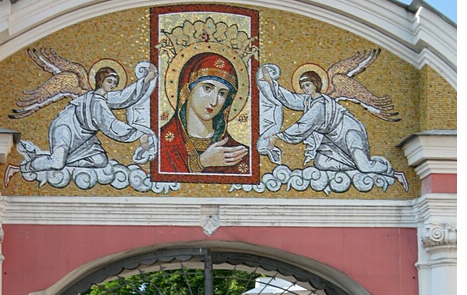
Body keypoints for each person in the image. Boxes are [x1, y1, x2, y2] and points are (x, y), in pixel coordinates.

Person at [4, 63, 157, 184]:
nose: (112, 85)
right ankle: (21, 168)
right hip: (66, 128)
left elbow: (124, 97)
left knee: (100, 161)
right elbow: (111, 125)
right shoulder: (97, 101)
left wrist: (145, 80)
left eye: (115, 82)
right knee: (57, 163)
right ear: (100, 81)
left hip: (84, 135)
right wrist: (139, 134)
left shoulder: (104, 98)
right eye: (109, 81)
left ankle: (56, 159)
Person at [258, 66, 408, 189]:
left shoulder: (320, 106)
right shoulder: (308, 100)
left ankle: (391, 172)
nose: (305, 89)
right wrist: (271, 82)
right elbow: (290, 99)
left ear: (316, 85)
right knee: (321, 163)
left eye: (308, 85)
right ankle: (355, 165)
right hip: (332, 138)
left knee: (365, 166)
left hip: (349, 132)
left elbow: (302, 126)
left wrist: (278, 136)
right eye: (303, 86)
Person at [159, 51, 249, 176]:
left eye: (222, 93)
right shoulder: (160, 143)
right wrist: (200, 163)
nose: (214, 101)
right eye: (207, 88)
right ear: (187, 89)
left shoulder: (236, 152)